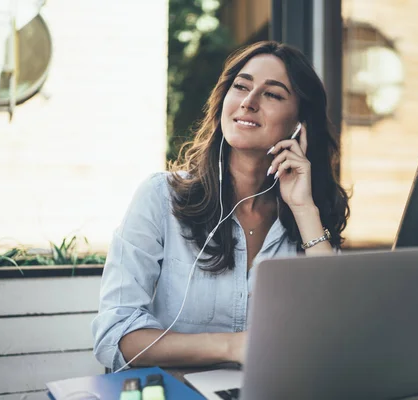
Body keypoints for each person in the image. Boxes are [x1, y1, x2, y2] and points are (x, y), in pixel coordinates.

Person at [92, 41, 350, 372]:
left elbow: (339, 334)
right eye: (241, 86)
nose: (249, 101)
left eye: (272, 94)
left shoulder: (308, 216)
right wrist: (233, 346)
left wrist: (304, 209)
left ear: (299, 124)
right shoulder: (160, 198)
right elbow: (115, 333)